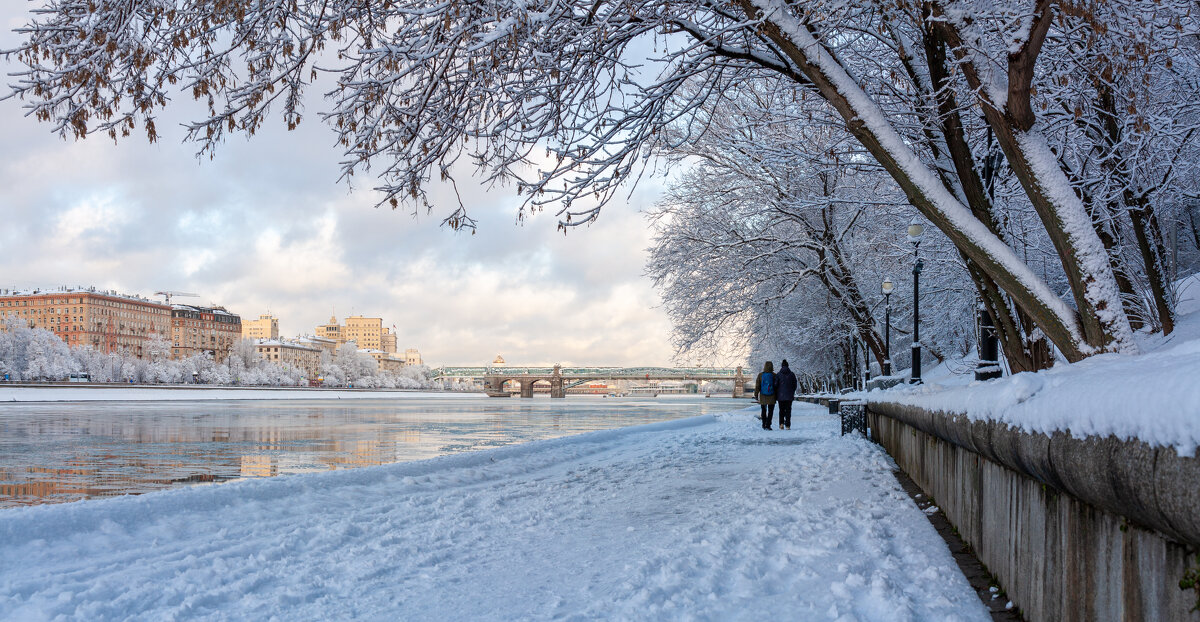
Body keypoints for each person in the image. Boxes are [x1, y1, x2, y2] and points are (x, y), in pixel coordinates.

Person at [753, 361, 777, 430]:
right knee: (770, 411)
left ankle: (763, 424)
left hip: (763, 395)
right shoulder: (774, 375)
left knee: (763, 410)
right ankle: (768, 425)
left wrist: (756, 394)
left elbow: (757, 385)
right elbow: (776, 386)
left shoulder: (760, 375)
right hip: (772, 396)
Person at [775, 359, 798, 430]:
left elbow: (775, 385)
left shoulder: (778, 374)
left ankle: (781, 424)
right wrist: (792, 391)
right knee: (788, 410)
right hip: (789, 396)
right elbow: (795, 385)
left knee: (781, 410)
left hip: (780, 396)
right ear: (788, 366)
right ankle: (788, 425)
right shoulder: (792, 374)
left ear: (781, 366)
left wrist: (777, 392)